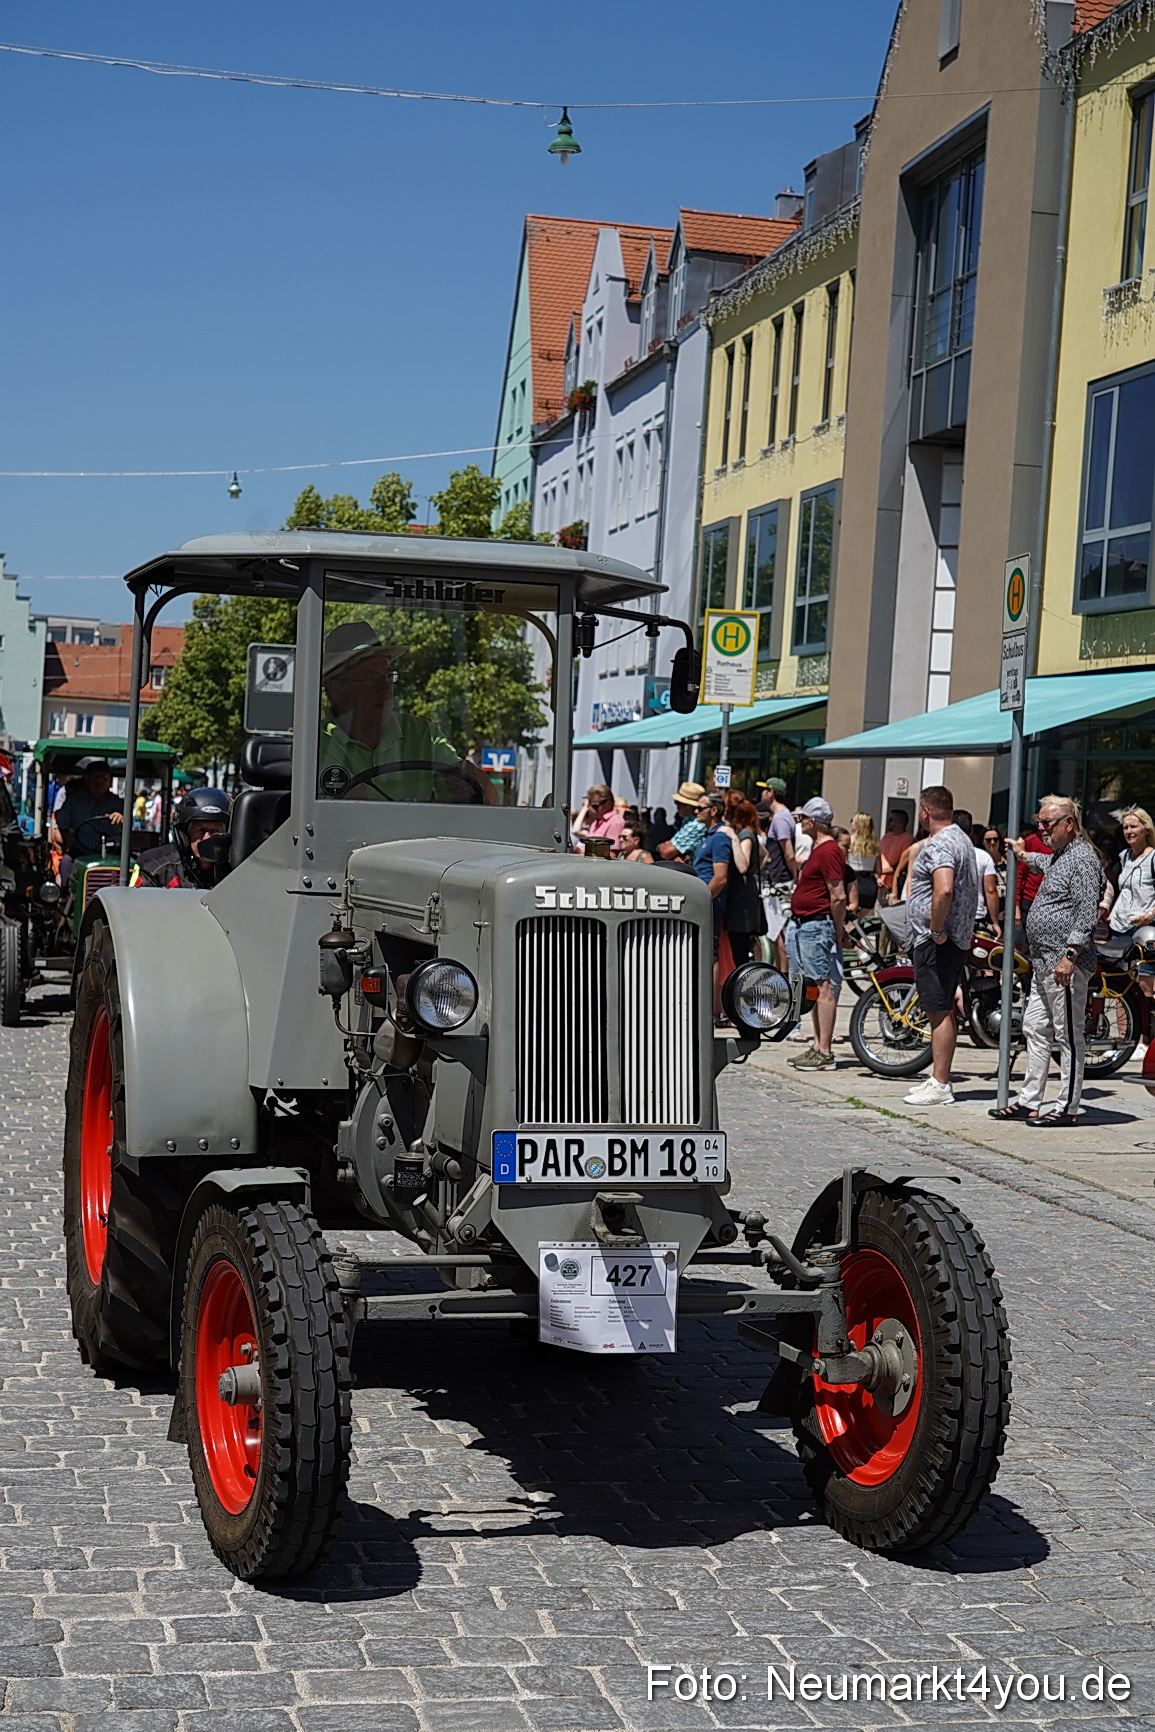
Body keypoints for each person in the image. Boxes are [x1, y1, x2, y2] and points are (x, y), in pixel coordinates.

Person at [993, 795, 1104, 1127]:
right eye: (1038, 822)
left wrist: (1070, 957)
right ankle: (1030, 1101)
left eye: (1047, 823)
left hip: (1064, 964)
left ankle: (1067, 1107)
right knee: (1034, 1028)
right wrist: (1021, 853)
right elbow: (1044, 864)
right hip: (1045, 963)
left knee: (1068, 1035)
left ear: (1069, 823)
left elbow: (1086, 914)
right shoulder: (1061, 856)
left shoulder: (1082, 858)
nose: (1041, 829)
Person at [318, 621, 481, 804]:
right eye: (371, 678)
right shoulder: (315, 745)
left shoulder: (423, 734)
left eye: (389, 676)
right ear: (337, 689)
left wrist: (472, 779)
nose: (386, 687)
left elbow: (477, 792)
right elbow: (340, 817)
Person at [901, 785, 979, 1109]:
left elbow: (944, 889)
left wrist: (934, 930)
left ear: (925, 811)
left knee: (938, 1010)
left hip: (938, 940)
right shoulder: (961, 838)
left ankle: (941, 1083)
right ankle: (937, 1077)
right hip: (953, 938)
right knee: (944, 1007)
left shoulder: (941, 843)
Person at [785, 797, 847, 1071]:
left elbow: (838, 895)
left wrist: (837, 929)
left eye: (802, 819)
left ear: (813, 822)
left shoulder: (829, 850)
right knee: (811, 987)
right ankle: (817, 1045)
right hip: (804, 924)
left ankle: (825, 1050)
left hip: (815, 925)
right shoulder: (819, 849)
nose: (799, 823)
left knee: (822, 988)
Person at [1100, 804, 1155, 1002]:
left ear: (1146, 829)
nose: (1129, 832)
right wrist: (1109, 910)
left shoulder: (1153, 858)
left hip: (1144, 930)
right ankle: (1127, 1033)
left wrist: (1150, 916)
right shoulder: (1124, 856)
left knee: (1145, 989)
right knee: (1121, 990)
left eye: (1133, 827)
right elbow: (1116, 886)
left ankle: (1146, 1034)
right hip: (1119, 928)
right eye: (1125, 827)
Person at [131, 788, 231, 889]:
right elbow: (136, 902)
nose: (207, 837)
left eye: (215, 831)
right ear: (184, 834)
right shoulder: (154, 867)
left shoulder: (237, 869)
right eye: (201, 830)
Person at [691, 792, 732, 1019]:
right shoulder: (709, 836)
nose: (696, 812)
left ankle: (712, 1010)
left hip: (710, 903)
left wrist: (702, 898)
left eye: (700, 808)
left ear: (713, 810)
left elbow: (721, 877)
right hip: (704, 899)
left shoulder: (719, 838)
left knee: (710, 955)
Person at [56, 757, 125, 883]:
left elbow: (129, 827)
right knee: (66, 862)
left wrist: (122, 819)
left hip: (112, 856)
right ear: (86, 780)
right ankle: (66, 898)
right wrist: (68, 841)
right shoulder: (73, 801)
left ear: (109, 781)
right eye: (94, 778)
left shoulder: (118, 804)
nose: (98, 782)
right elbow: (62, 824)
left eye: (103, 778)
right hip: (81, 854)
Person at [720, 795, 767, 967]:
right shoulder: (750, 833)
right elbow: (764, 854)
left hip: (742, 903)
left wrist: (733, 838)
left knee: (740, 953)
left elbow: (743, 866)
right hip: (746, 899)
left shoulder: (745, 835)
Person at [758, 777, 796, 973]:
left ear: (771, 793)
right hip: (778, 879)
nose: (761, 794)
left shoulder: (780, 818)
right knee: (777, 930)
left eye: (764, 790)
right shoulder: (782, 816)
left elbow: (788, 853)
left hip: (778, 881)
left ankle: (782, 973)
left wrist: (795, 877)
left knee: (778, 929)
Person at [955, 808, 1001, 936]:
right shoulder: (983, 856)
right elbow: (990, 890)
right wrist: (995, 922)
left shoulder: (944, 853)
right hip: (975, 915)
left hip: (950, 916)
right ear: (971, 833)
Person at [657, 781, 707, 863]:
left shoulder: (695, 825)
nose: (677, 806)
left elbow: (666, 852)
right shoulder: (688, 821)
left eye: (679, 803)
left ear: (690, 806)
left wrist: (661, 847)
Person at [846, 812, 881, 913]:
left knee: (850, 918)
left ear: (858, 824)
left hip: (853, 881)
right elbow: (878, 870)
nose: (851, 822)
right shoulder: (875, 845)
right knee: (861, 919)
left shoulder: (849, 842)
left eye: (852, 820)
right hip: (869, 883)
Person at [878, 810, 913, 902]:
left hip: (893, 889)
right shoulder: (886, 837)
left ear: (900, 823)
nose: (888, 823)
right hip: (881, 887)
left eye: (891, 820)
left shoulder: (908, 840)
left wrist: (882, 872)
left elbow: (901, 864)